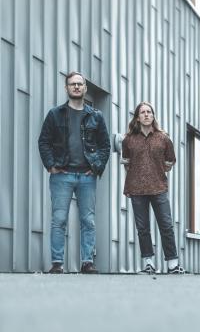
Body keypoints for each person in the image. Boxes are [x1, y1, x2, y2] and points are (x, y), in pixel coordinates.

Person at [38, 72, 110, 274]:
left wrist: (96, 167)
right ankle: (57, 263)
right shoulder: (55, 114)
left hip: (86, 177)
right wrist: (51, 164)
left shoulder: (96, 116)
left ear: (85, 88)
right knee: (59, 219)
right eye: (72, 84)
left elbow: (105, 145)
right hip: (61, 175)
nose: (76, 87)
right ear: (66, 88)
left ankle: (87, 262)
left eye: (80, 84)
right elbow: (43, 141)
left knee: (88, 221)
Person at [121, 102, 185, 274]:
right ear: (137, 117)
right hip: (136, 189)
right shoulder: (128, 140)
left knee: (166, 225)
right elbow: (126, 162)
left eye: (149, 112)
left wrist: (154, 170)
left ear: (153, 116)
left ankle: (173, 264)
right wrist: (140, 173)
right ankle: (148, 264)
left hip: (159, 187)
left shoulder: (163, 138)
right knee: (142, 228)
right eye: (142, 112)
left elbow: (170, 161)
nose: (146, 115)